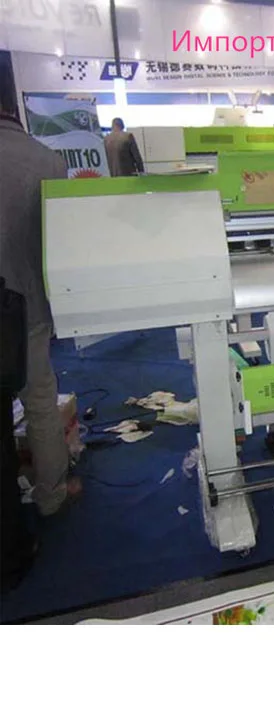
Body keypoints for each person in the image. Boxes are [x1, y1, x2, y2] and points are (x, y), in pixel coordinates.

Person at [0, 73, 79, 584]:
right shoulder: (46, 160)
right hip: (23, 307)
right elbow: (58, 242)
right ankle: (51, 496)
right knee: (40, 403)